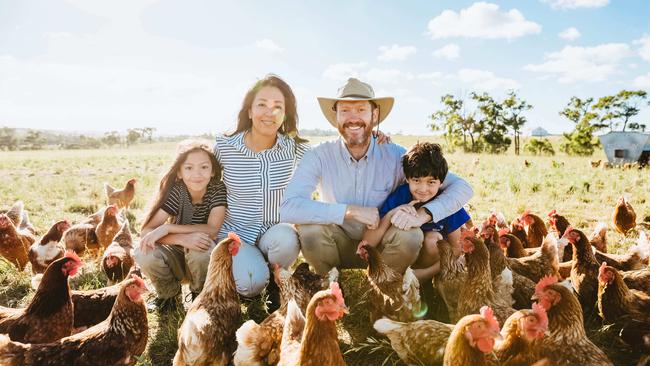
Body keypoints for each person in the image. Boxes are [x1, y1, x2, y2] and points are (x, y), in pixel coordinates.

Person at [280, 77, 473, 276]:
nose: (353, 118)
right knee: (310, 231)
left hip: (383, 245)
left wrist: (425, 213)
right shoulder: (318, 155)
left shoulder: (396, 155)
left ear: (375, 114)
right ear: (336, 116)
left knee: (411, 235)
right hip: (335, 242)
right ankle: (330, 285)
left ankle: (386, 286)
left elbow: (463, 188)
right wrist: (350, 211)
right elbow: (287, 207)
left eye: (361, 110)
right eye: (345, 110)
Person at [213, 74, 309, 298]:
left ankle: (276, 282)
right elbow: (199, 179)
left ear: (285, 114)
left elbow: (332, 156)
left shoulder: (294, 148)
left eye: (278, 106)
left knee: (287, 238)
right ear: (249, 111)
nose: (270, 112)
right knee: (249, 286)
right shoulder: (225, 147)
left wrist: (372, 138)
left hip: (274, 233)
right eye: (262, 104)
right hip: (236, 234)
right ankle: (253, 272)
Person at [134, 140, 227, 311]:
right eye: (189, 168)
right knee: (143, 251)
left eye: (204, 167)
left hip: (202, 257)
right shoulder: (177, 191)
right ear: (179, 172)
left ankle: (200, 298)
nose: (197, 174)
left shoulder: (217, 189)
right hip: (176, 255)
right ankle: (168, 297)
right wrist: (182, 239)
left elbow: (212, 230)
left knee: (202, 246)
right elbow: (147, 231)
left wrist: (168, 228)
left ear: (213, 171)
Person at [361, 142, 471, 283]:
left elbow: (456, 249)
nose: (423, 189)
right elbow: (369, 242)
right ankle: (390, 280)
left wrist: (425, 273)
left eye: (431, 182)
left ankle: (425, 283)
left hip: (428, 266)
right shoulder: (400, 196)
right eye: (416, 180)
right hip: (400, 259)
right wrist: (391, 214)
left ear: (442, 182)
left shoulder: (447, 204)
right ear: (407, 178)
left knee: (433, 238)